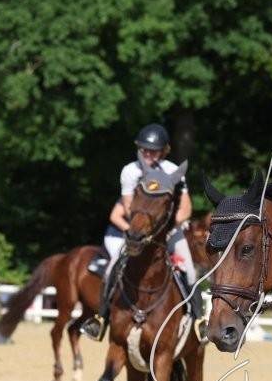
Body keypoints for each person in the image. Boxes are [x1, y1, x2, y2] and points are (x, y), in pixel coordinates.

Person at [83, 123, 202, 340]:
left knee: (189, 269)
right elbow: (130, 207)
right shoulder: (130, 171)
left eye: (153, 151)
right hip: (141, 232)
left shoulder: (173, 172)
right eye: (144, 150)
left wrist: (167, 228)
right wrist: (143, 231)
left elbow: (186, 208)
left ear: (164, 150)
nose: (148, 154)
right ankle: (101, 319)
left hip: (170, 230)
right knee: (113, 267)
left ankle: (198, 320)